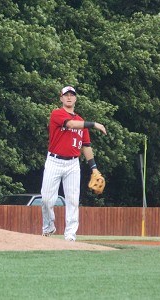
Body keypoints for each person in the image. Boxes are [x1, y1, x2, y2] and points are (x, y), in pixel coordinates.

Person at [40, 86, 107, 241]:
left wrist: (94, 169)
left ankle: (70, 235)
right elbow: (70, 124)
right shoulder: (57, 114)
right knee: (46, 199)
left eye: (72, 95)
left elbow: (86, 146)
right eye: (66, 95)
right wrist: (94, 124)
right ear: (61, 98)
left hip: (72, 164)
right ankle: (48, 228)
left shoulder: (81, 121)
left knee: (72, 200)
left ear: (75, 98)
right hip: (54, 161)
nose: (69, 97)